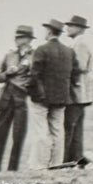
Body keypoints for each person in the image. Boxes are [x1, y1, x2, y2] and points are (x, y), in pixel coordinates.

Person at [28, 18, 79, 168]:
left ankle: (39, 164)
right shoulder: (69, 52)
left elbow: (34, 75)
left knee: (41, 132)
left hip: (41, 98)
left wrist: (33, 92)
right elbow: (74, 75)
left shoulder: (41, 49)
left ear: (49, 31)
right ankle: (56, 163)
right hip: (61, 97)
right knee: (58, 131)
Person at [0, 25, 35, 172]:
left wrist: (27, 85)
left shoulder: (35, 56)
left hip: (22, 99)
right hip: (6, 98)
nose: (16, 39)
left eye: (20, 37)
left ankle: (12, 169)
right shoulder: (9, 56)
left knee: (18, 135)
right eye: (16, 37)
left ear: (28, 39)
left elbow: (36, 77)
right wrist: (7, 72)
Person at [62, 14, 93, 163]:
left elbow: (80, 67)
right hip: (79, 92)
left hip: (77, 91)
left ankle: (66, 159)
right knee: (75, 127)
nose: (67, 28)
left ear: (79, 29)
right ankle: (74, 157)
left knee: (70, 126)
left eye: (70, 26)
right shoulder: (77, 43)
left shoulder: (80, 44)